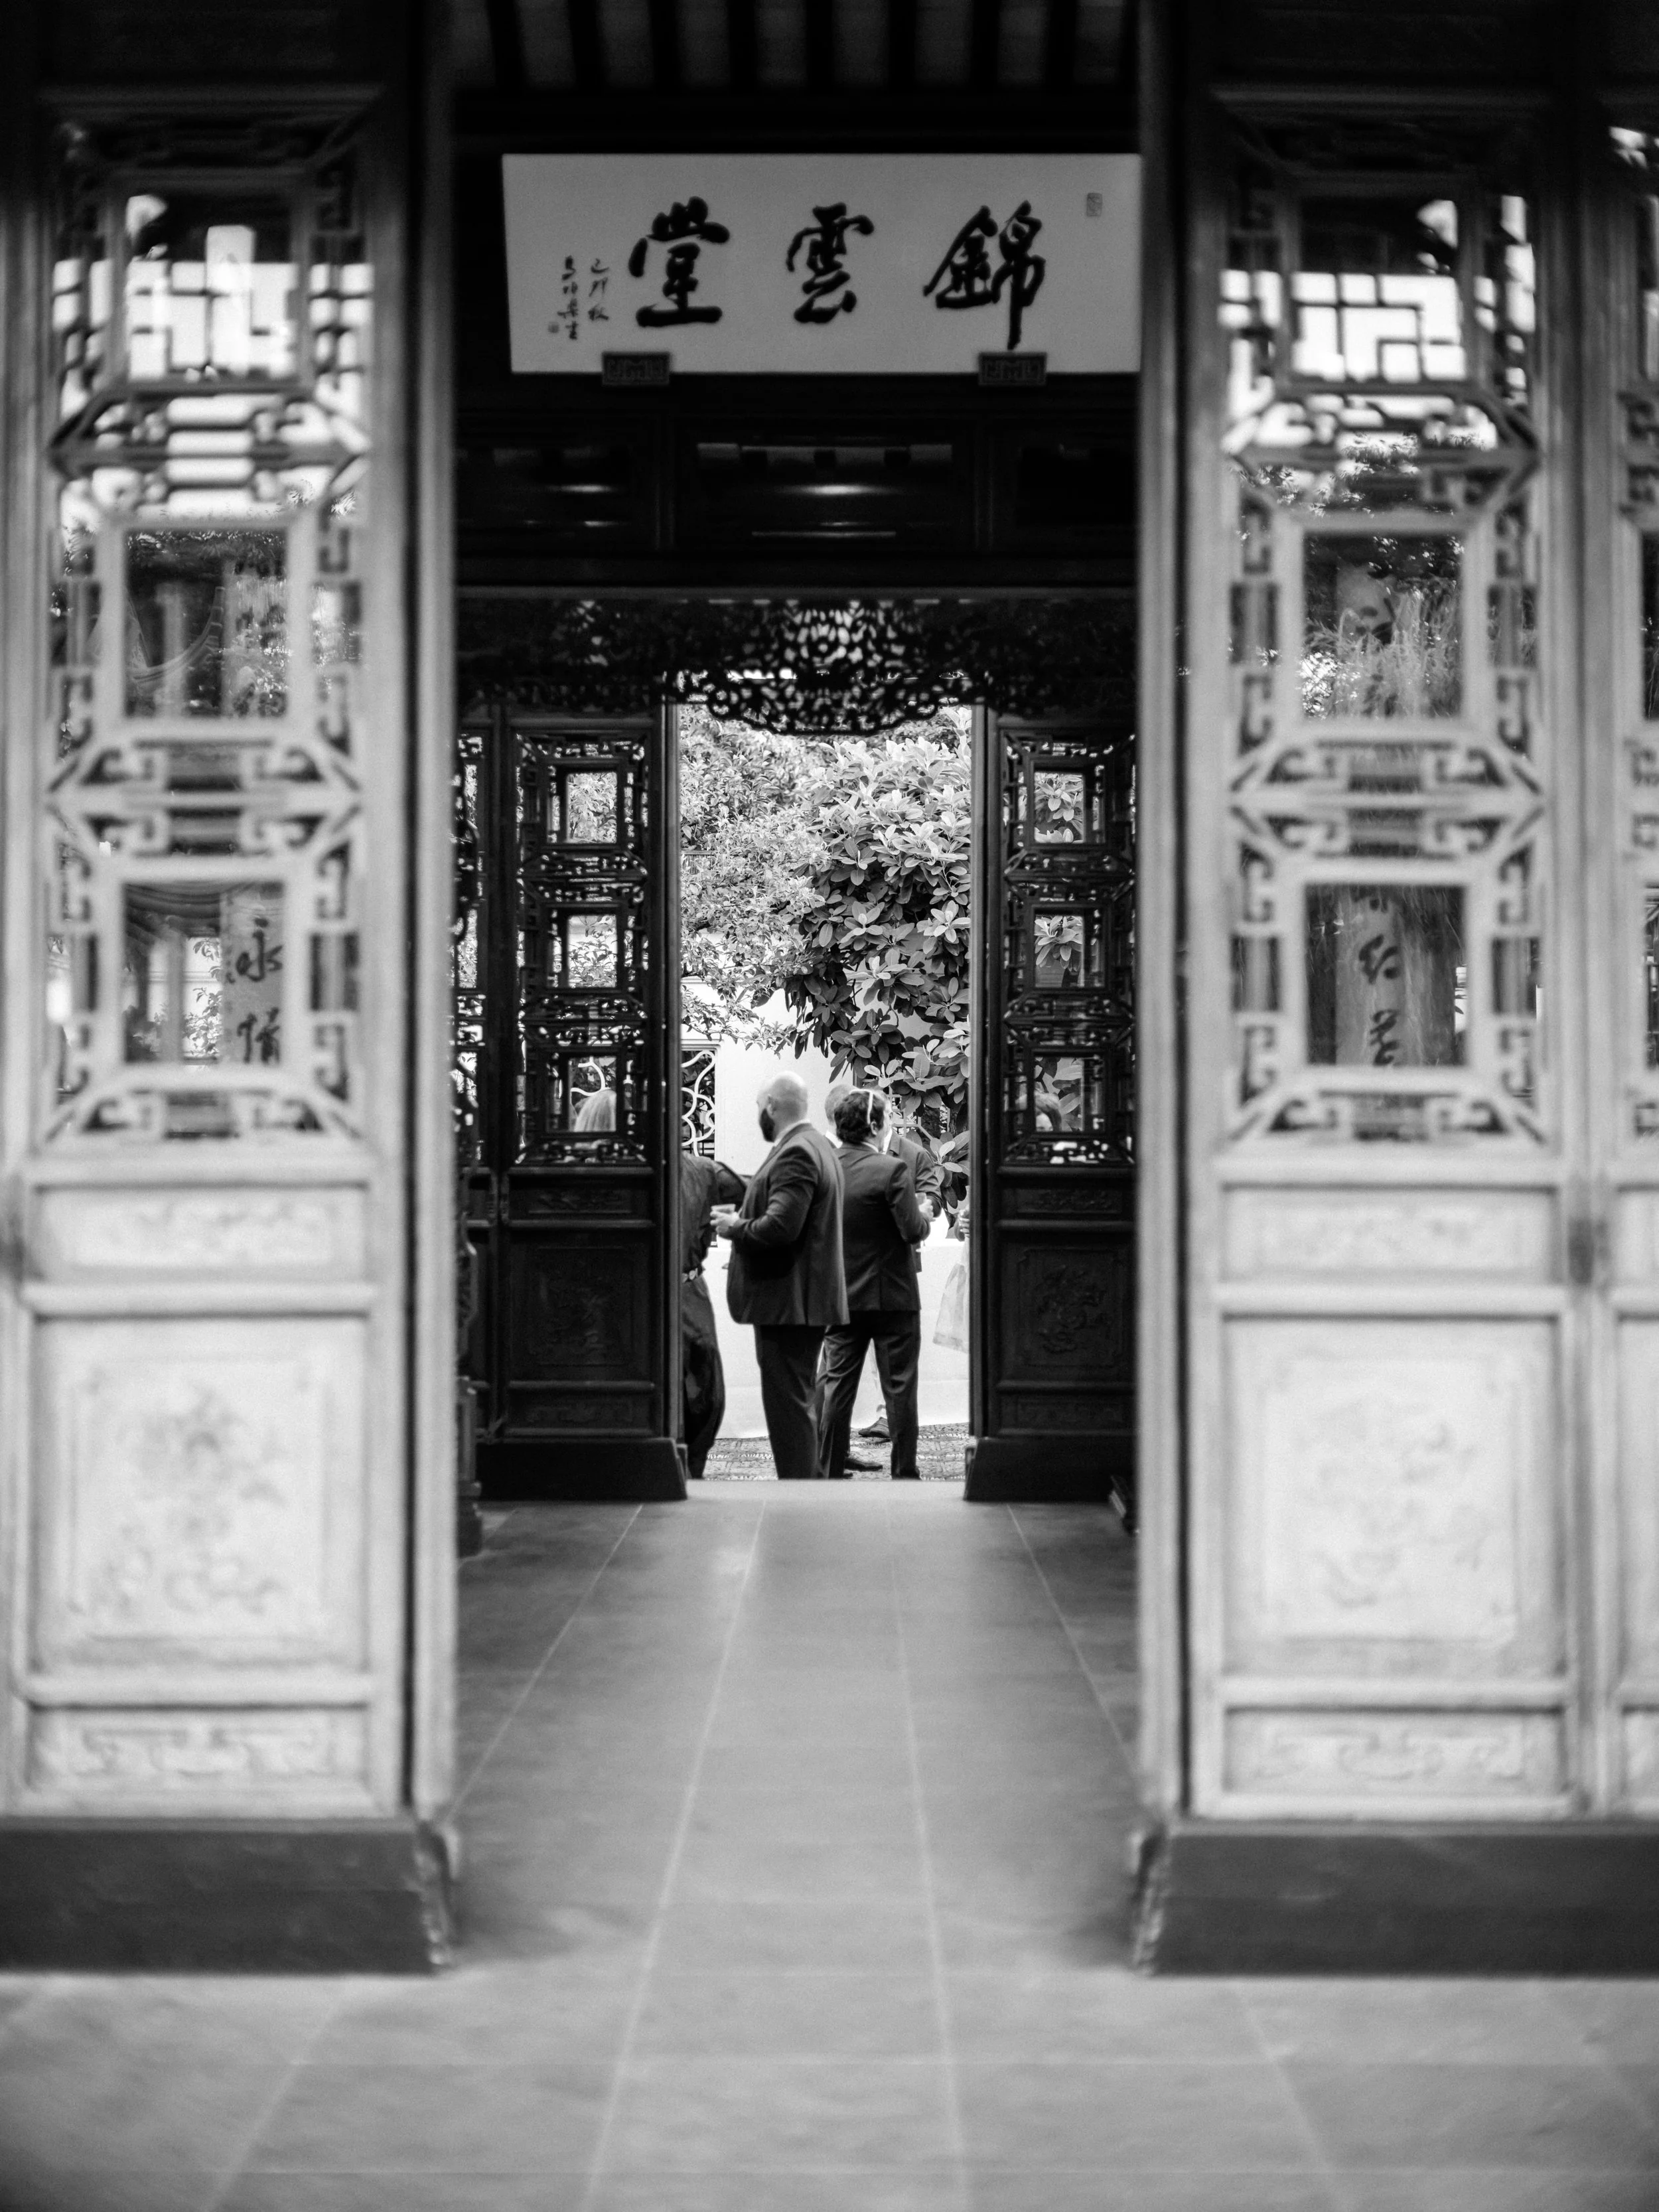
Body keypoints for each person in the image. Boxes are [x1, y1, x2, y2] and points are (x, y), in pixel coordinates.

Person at [714, 1071, 846, 1479]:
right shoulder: (817, 1145)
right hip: (798, 1301)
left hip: (789, 1304)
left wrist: (733, 1226)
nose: (759, 1114)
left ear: (772, 1104)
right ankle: (808, 1492)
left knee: (789, 1411)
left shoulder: (797, 1152)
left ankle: (800, 1497)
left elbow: (781, 1228)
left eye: (758, 1106)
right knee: (798, 1406)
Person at [816, 1084, 928, 1481]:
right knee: (900, 1390)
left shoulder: (824, 1168)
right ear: (875, 1125)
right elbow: (913, 1231)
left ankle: (827, 1470)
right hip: (893, 1298)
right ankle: (904, 1472)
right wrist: (923, 1214)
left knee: (837, 1388)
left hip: (842, 1295)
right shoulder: (891, 1170)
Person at [680, 1149, 748, 1479]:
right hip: (684, 1290)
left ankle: (691, 1466)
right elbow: (755, 1192)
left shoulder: (699, 1171)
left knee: (702, 1386)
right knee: (702, 1389)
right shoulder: (700, 1170)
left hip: (684, 1291)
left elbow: (752, 1193)